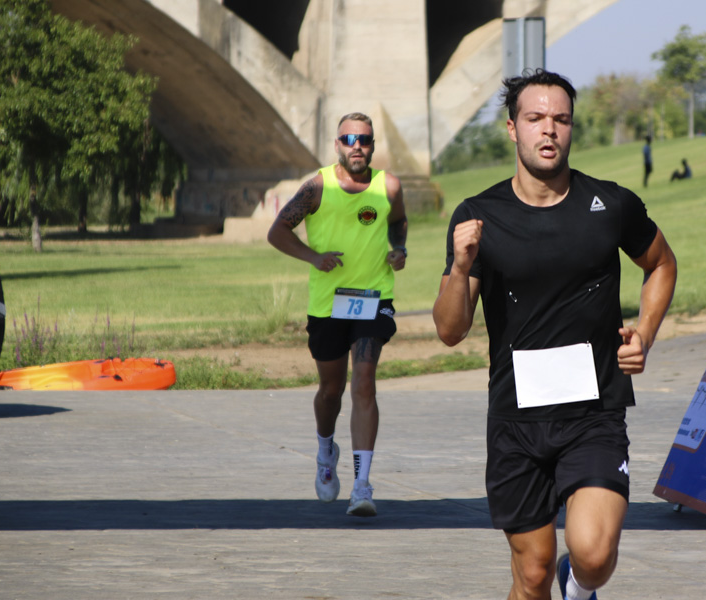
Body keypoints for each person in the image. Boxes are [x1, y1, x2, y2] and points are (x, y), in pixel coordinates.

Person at [432, 69, 677, 600]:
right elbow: (450, 331)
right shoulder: (479, 216)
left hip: (593, 411)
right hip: (516, 420)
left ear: (572, 129)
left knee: (592, 555)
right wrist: (458, 266)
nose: (549, 130)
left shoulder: (610, 205)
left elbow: (661, 264)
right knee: (533, 572)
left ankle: (580, 585)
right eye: (535, 118)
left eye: (561, 119)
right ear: (512, 128)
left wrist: (646, 335)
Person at [267, 112, 408, 517]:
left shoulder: (389, 186)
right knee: (332, 391)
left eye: (364, 139)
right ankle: (326, 448)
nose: (357, 145)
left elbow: (398, 224)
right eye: (349, 139)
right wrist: (314, 257)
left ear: (373, 145)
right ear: (337, 145)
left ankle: (362, 485)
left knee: (364, 382)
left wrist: (400, 252)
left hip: (373, 298)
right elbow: (277, 231)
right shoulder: (317, 187)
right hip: (329, 305)